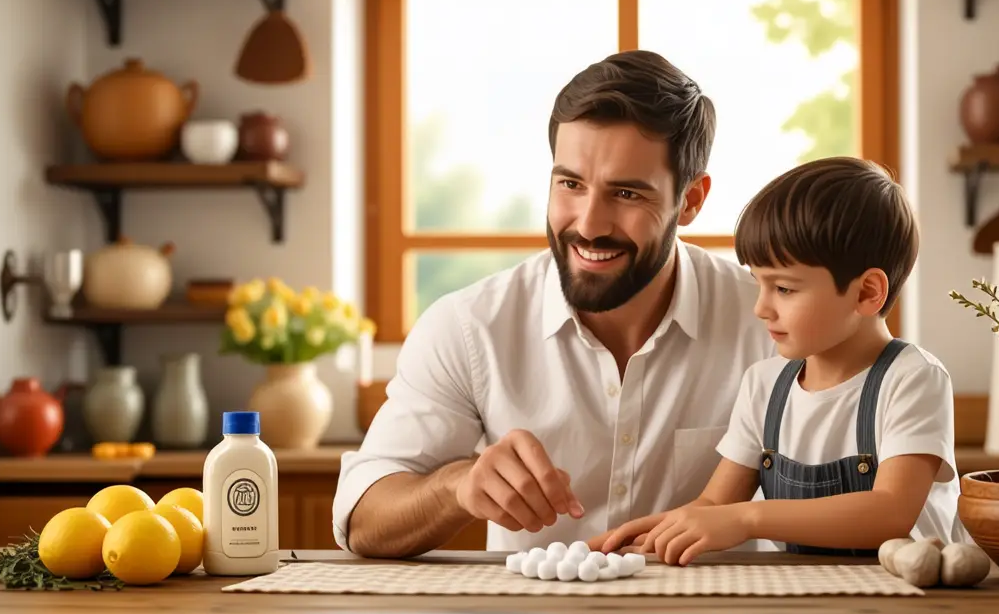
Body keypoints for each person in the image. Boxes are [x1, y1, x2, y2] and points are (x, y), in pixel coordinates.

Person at [333, 50, 777, 557]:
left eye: (627, 194)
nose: (588, 224)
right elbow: (363, 520)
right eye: (570, 184)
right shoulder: (470, 327)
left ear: (692, 200)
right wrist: (457, 485)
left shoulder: (768, 326)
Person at [592, 157, 965, 566]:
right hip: (802, 596)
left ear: (867, 293)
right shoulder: (766, 385)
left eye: (784, 289)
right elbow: (716, 503)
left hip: (907, 604)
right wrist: (652, 534)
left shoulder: (912, 379)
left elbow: (890, 513)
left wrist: (749, 518)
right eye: (759, 283)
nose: (761, 308)